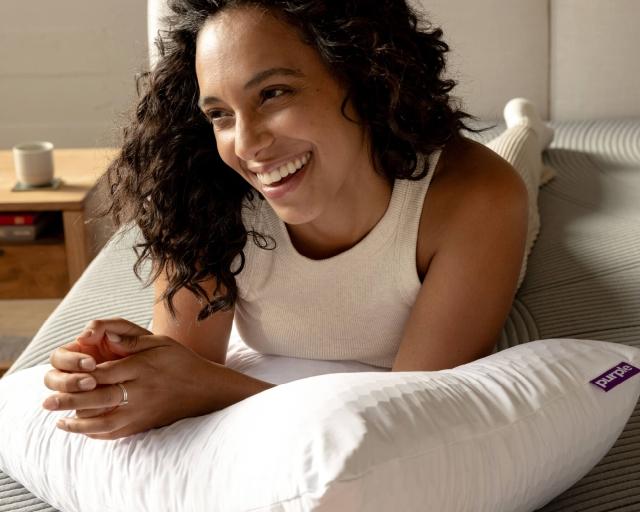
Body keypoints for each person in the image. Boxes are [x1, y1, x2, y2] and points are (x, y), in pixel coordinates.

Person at [41, 0, 554, 440]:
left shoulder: (478, 197)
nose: (247, 146)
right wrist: (115, 369)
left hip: (498, 183)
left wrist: (208, 385)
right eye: (220, 114)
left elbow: (410, 418)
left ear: (365, 76)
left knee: (520, 154)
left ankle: (528, 124)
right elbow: (182, 365)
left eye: (273, 94)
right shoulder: (201, 196)